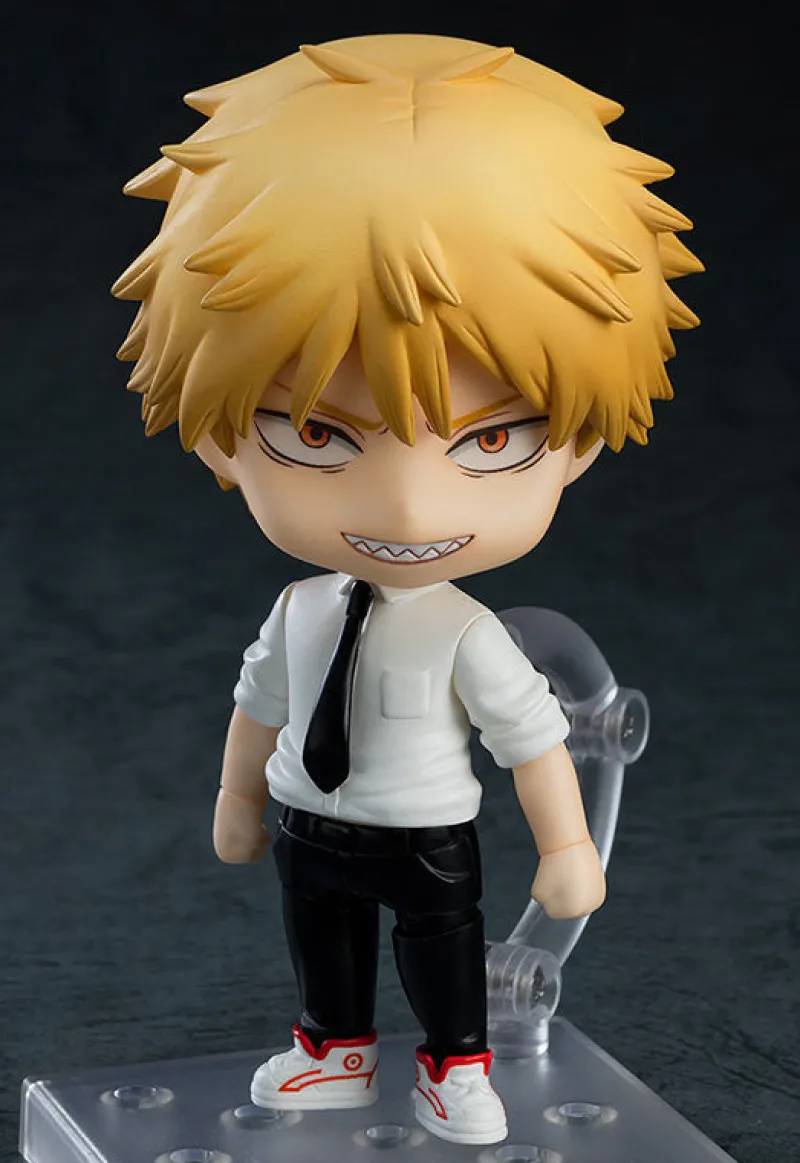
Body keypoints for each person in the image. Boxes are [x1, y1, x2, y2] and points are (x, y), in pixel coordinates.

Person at [112, 33, 701, 1146]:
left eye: (491, 440)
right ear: (218, 435)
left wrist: (567, 850)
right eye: (318, 434)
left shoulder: (470, 632)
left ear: (577, 442)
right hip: (307, 816)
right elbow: (258, 704)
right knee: (321, 941)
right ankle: (331, 1052)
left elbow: (535, 740)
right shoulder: (300, 611)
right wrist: (239, 798)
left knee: (440, 949)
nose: (410, 510)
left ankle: (455, 1063)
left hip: (426, 833)